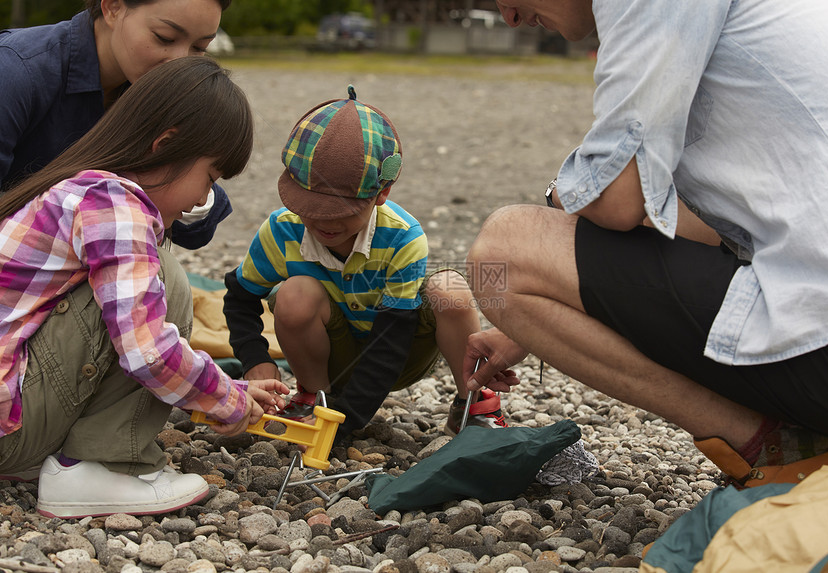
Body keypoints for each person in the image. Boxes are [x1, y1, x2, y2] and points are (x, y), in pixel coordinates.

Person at [465, 0, 828, 488]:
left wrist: (558, 195)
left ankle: (779, 452)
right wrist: (526, 327)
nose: (508, 17)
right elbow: (701, 225)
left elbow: (614, 200)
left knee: (501, 252)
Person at [0, 57, 289, 519]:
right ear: (166, 145)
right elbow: (148, 350)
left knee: (145, 283)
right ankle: (99, 466)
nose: (202, 199)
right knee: (166, 280)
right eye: (209, 178)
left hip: (11, 418)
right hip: (11, 432)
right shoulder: (113, 203)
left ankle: (68, 459)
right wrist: (229, 402)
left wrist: (223, 385)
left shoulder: (80, 186)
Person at [223, 87, 515, 437]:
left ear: (382, 194)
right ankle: (316, 400)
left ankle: (471, 401)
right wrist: (256, 360)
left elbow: (390, 342)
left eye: (341, 212)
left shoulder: (403, 238)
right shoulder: (280, 231)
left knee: (449, 288)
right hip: (331, 359)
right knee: (294, 293)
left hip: (400, 354)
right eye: (311, 210)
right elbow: (240, 299)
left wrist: (347, 421)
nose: (325, 223)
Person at [0, 0, 234, 250]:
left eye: (199, 47)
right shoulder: (16, 71)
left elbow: (196, 230)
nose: (180, 62)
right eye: (165, 38)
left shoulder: (164, 90)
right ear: (112, 7)